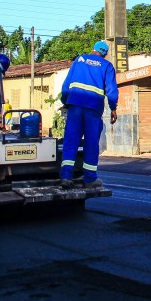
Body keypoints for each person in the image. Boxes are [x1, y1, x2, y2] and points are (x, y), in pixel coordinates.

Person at [59, 40, 118, 189]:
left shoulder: (80, 60)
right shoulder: (107, 66)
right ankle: (90, 179)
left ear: (93, 49)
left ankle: (66, 177)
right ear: (105, 54)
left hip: (75, 105)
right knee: (91, 143)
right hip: (93, 108)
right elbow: (111, 90)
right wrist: (113, 108)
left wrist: (66, 101)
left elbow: (66, 86)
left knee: (71, 141)